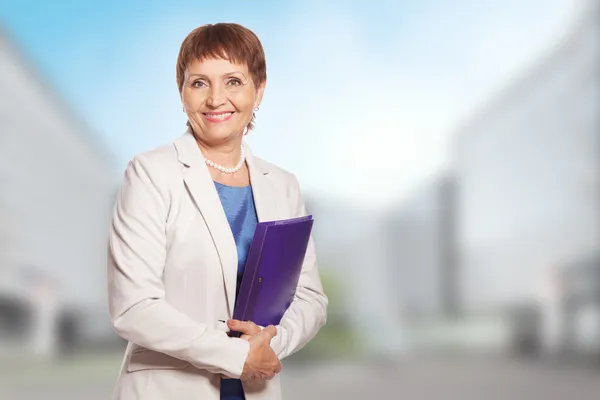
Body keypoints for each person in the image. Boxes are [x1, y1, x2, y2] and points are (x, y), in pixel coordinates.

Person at [107, 23, 328, 400]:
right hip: (169, 388)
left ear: (258, 90)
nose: (215, 99)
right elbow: (134, 306)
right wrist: (236, 354)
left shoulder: (283, 184)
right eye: (199, 83)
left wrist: (271, 344)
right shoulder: (150, 173)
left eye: (233, 81)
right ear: (182, 93)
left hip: (254, 387)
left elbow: (309, 298)